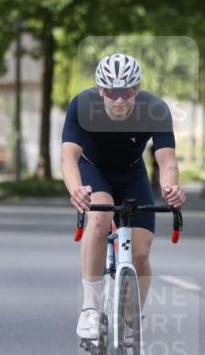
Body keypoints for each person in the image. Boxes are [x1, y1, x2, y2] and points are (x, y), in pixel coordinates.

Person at [61, 53, 186, 340]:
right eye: (112, 92)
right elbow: (68, 157)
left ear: (137, 90)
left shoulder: (155, 109)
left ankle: (133, 321)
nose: (119, 99)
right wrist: (77, 190)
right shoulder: (83, 105)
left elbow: (167, 161)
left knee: (140, 255)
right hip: (93, 170)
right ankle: (91, 307)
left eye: (127, 92)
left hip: (132, 174)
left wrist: (171, 188)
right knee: (100, 219)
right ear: (100, 91)